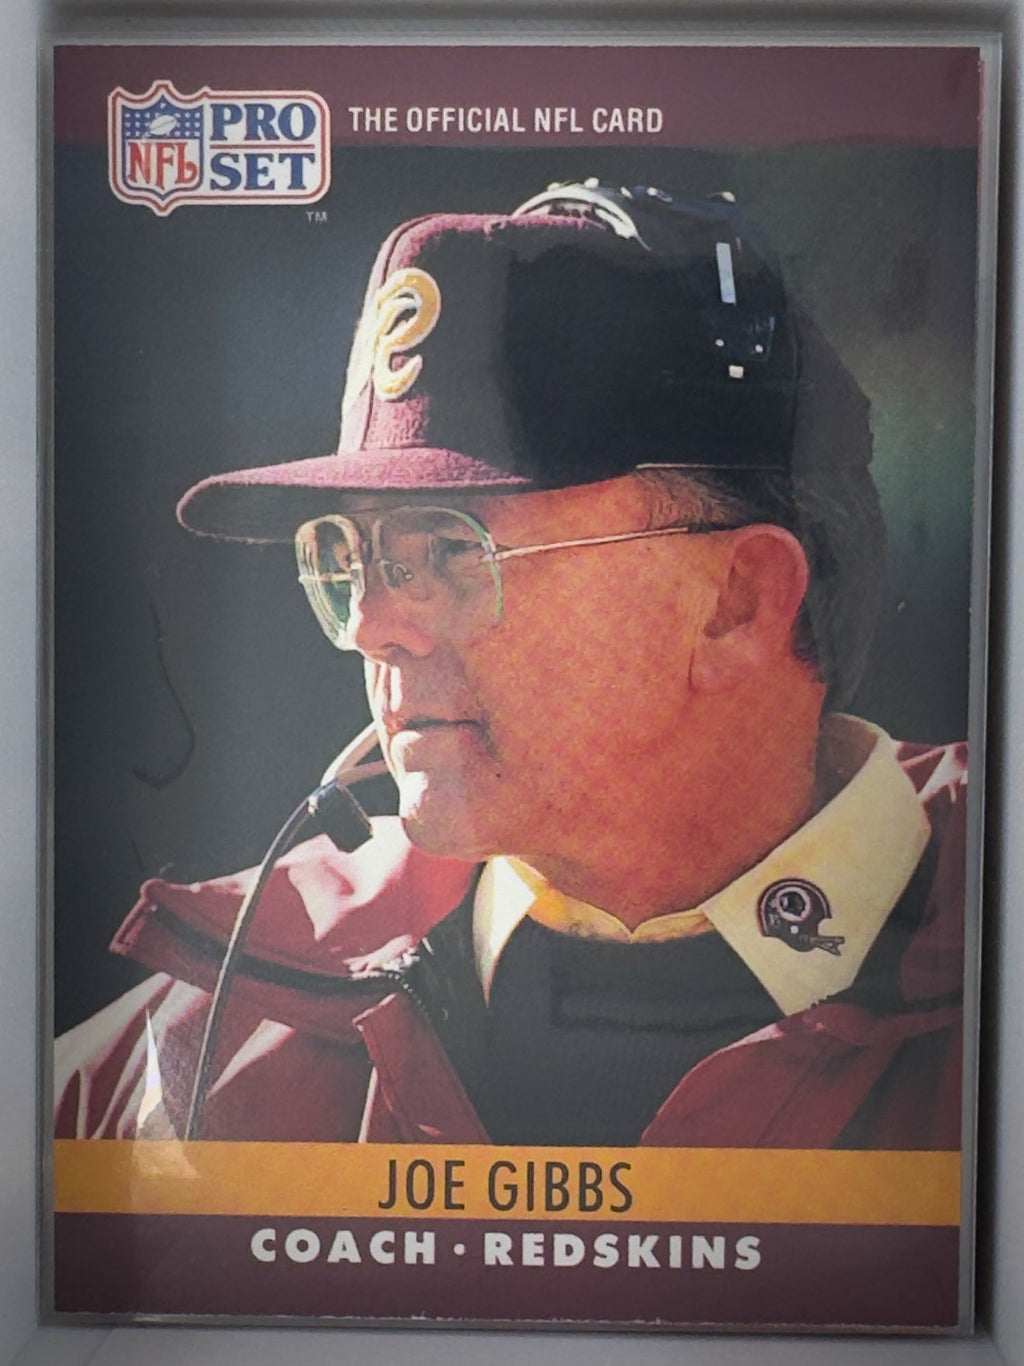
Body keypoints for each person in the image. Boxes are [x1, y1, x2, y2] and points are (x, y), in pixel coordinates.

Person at [54, 181, 966, 1148]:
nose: (370, 626)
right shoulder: (179, 1060)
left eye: (452, 548)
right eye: (350, 557)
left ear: (736, 602)